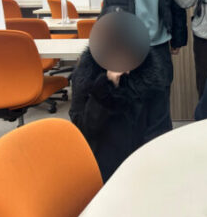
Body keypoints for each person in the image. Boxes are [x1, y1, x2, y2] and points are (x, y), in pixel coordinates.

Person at [87, 0, 188, 133]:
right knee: (125, 117)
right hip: (123, 44)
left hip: (158, 43)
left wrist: (178, 35)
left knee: (159, 117)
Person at [70, 45, 169, 181]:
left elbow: (159, 130)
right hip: (100, 166)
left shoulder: (152, 76)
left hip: (142, 166)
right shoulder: (86, 75)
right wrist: (105, 88)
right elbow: (82, 130)